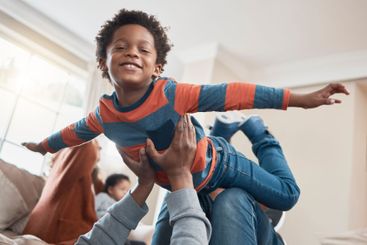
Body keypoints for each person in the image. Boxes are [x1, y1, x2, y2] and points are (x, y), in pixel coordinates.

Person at [22, 8, 348, 240]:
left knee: (287, 197)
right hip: (179, 186)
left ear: (157, 66)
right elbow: (72, 133)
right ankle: (222, 128)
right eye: (120, 47)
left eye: (143, 49)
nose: (131, 53)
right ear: (104, 63)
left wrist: (302, 99)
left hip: (220, 165)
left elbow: (234, 93)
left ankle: (257, 130)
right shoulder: (103, 115)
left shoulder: (171, 93)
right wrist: (43, 146)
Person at [76, 114, 212, 245]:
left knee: (206, 194)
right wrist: (180, 174)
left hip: (132, 226)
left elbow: (98, 240)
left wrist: (144, 183)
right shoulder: (102, 198)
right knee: (226, 197)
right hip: (133, 230)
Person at [22, 140, 100, 244]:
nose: (99, 151)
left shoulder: (66, 149)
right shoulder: (85, 146)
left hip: (37, 226)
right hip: (57, 229)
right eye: (99, 148)